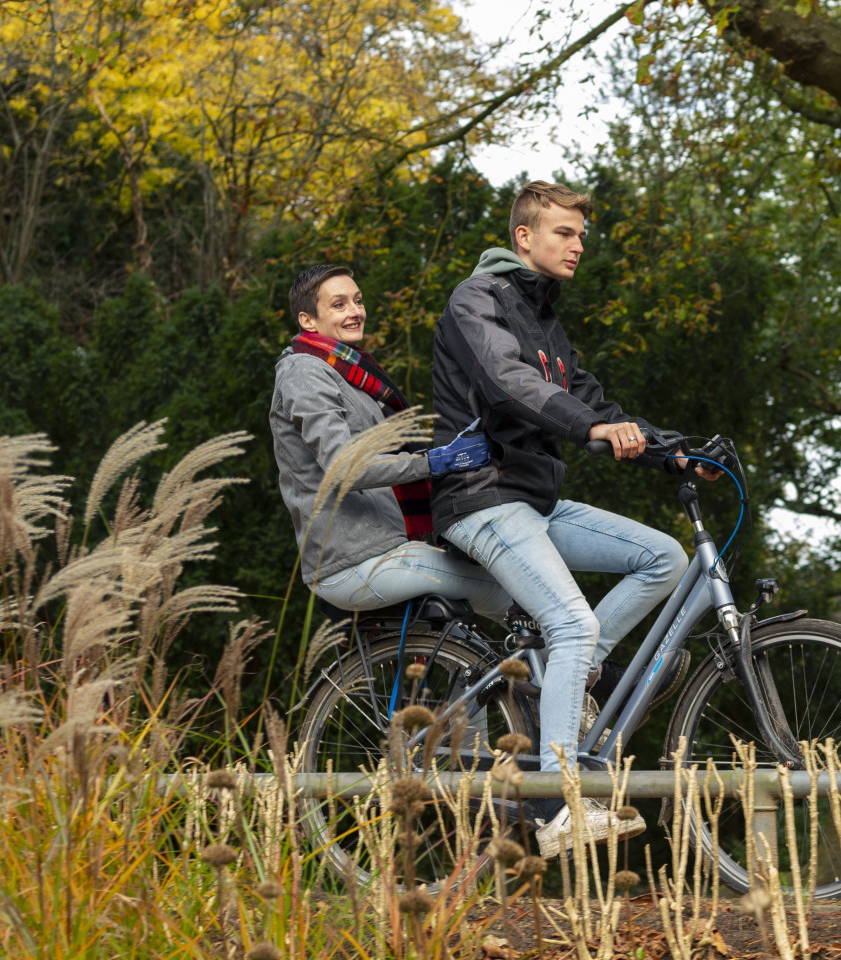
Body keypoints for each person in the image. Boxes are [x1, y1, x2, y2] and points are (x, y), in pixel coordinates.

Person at [431, 181, 720, 857]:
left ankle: (573, 676)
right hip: (481, 497)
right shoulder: (476, 300)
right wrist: (592, 426)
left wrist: (678, 454)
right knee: (571, 621)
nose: (578, 245)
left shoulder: (547, 324)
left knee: (663, 558)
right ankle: (555, 809)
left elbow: (595, 404)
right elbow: (512, 384)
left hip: (531, 501)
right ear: (524, 238)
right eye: (565, 233)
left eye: (582, 235)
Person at [271, 263, 510, 619]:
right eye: (339, 305)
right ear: (307, 320)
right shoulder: (305, 372)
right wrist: (434, 462)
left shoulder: (347, 373)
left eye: (358, 300)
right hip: (355, 559)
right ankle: (586, 673)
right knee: (511, 587)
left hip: (384, 545)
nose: (355, 312)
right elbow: (345, 468)